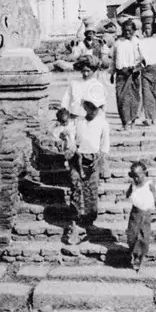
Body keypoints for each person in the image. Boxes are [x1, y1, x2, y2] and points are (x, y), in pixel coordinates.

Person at [65, 85, 110, 245]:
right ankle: (75, 225)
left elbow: (104, 147)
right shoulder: (78, 122)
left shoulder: (103, 124)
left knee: (91, 191)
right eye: (88, 106)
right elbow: (71, 139)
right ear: (84, 106)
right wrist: (73, 149)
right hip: (77, 160)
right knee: (77, 190)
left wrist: (99, 161)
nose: (91, 110)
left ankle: (89, 223)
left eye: (95, 107)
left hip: (93, 162)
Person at [125, 161, 156, 271]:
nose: (136, 179)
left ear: (144, 173)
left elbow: (155, 199)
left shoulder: (149, 184)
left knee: (143, 236)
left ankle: (138, 258)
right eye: (134, 176)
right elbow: (128, 193)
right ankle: (134, 252)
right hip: (134, 213)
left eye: (138, 176)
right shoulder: (133, 184)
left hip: (145, 214)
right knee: (132, 235)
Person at [111, 19, 143, 131]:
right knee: (121, 99)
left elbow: (143, 58)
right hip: (121, 74)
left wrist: (137, 67)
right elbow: (114, 59)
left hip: (133, 74)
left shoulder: (138, 42)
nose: (127, 33)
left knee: (134, 99)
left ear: (134, 30)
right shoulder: (118, 43)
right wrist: (112, 72)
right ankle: (125, 123)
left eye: (130, 31)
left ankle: (133, 122)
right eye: (125, 31)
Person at [137, 5, 156, 127]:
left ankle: (154, 116)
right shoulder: (140, 41)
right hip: (145, 69)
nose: (146, 30)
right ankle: (149, 118)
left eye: (148, 28)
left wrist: (155, 10)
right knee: (146, 93)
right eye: (145, 28)